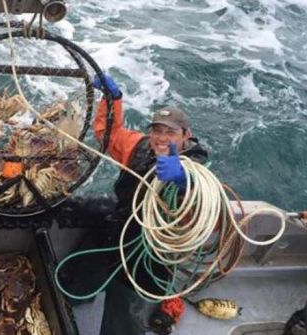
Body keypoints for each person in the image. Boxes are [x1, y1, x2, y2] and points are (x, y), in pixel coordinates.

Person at [62, 74, 208, 335]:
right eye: (157, 130)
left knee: (124, 308)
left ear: (187, 135)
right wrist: (112, 99)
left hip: (150, 250)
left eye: (171, 132)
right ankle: (72, 298)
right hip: (121, 224)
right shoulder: (141, 147)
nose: (162, 138)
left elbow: (201, 214)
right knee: (83, 264)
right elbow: (109, 134)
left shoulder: (197, 174)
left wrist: (183, 181)